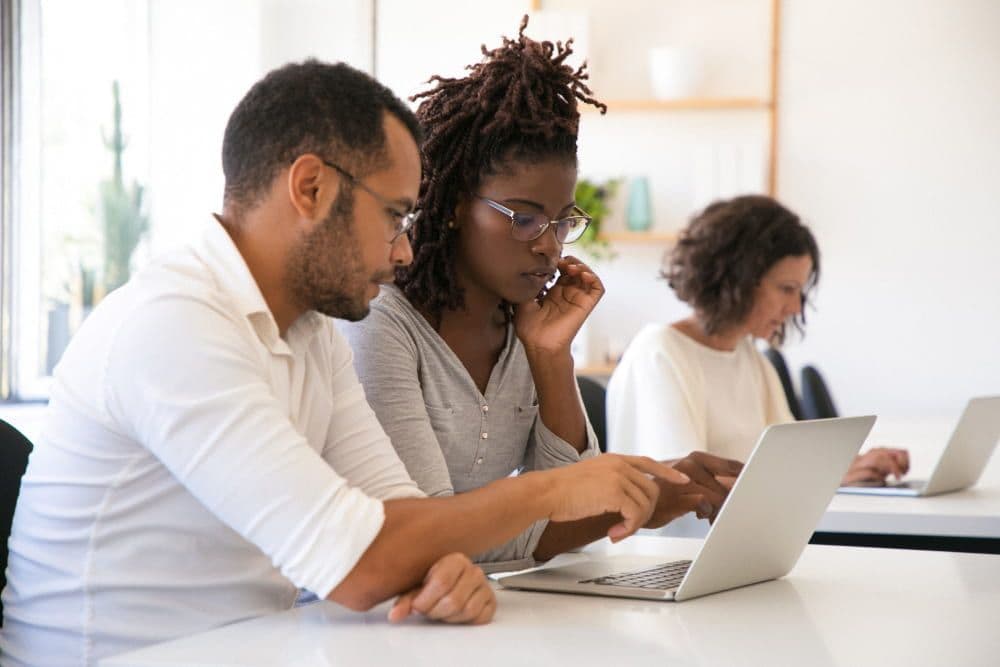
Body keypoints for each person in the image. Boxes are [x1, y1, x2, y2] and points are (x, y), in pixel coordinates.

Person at [0, 60, 691, 666]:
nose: (405, 252)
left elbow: (403, 519)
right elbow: (361, 562)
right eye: (395, 215)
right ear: (310, 188)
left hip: (260, 646)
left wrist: (443, 570)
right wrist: (552, 491)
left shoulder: (313, 333)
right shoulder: (174, 325)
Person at [340, 18, 742, 573]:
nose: (549, 248)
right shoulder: (380, 324)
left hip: (465, 616)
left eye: (562, 222)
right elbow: (428, 535)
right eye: (524, 219)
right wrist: (638, 503)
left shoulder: (523, 327)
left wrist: (551, 357)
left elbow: (577, 501)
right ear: (455, 204)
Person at [607, 194, 909, 486]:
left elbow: (794, 462)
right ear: (738, 280)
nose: (795, 308)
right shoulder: (659, 352)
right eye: (787, 289)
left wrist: (856, 465)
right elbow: (688, 486)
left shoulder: (749, 357)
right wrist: (825, 477)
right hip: (686, 538)